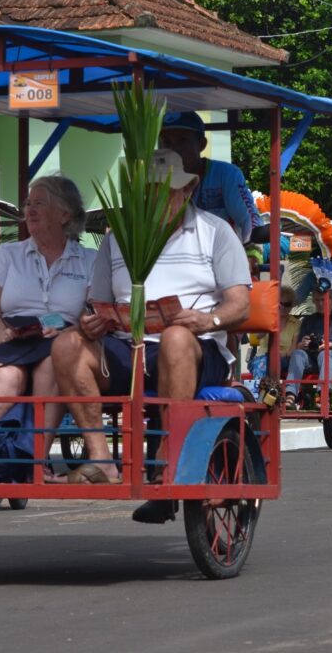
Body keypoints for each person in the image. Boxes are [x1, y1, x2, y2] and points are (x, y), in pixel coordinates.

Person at [53, 148, 250, 522]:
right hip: (127, 346)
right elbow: (96, 302)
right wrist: (93, 321)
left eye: (164, 192)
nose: (154, 201)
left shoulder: (214, 232)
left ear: (186, 190)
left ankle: (166, 459)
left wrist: (206, 320)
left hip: (195, 348)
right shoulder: (117, 238)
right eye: (147, 193)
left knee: (175, 337)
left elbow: (240, 304)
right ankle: (100, 459)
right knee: (67, 344)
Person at [0, 174, 96, 483]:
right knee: (7, 375)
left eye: (39, 203)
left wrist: (71, 329)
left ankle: (36, 460)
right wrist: (0, 333)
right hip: (9, 335)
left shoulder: (89, 260)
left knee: (53, 364)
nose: (30, 210)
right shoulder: (8, 254)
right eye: (28, 204)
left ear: (65, 213)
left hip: (62, 338)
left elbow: (93, 308)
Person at [158, 111, 261, 243]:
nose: (173, 149)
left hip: (221, 251)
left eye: (182, 141)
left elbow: (249, 219)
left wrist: (252, 249)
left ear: (202, 144)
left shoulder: (226, 174)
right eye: (167, 142)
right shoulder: (156, 179)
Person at [281, 291, 332, 410]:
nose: (320, 303)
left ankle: (323, 396)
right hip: (313, 357)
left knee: (325, 354)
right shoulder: (309, 320)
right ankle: (290, 395)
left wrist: (331, 345)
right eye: (317, 300)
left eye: (323, 300)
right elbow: (298, 346)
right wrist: (302, 344)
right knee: (297, 354)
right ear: (313, 301)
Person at [247, 284, 299, 379]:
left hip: (284, 359)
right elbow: (257, 335)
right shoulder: (267, 317)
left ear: (292, 305)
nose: (283, 307)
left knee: (271, 363)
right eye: (280, 304)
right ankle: (261, 387)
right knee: (264, 362)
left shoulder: (296, 324)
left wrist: (279, 354)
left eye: (287, 304)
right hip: (263, 356)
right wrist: (271, 321)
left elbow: (292, 351)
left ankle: (265, 387)